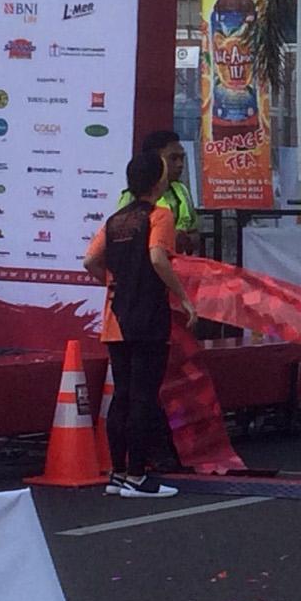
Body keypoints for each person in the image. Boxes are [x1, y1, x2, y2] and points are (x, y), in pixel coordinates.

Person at [83, 152, 199, 499]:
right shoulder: (159, 216)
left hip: (115, 316)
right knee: (144, 396)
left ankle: (117, 472)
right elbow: (156, 257)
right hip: (148, 315)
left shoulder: (115, 219)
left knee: (122, 394)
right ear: (158, 181)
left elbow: (90, 259)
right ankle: (137, 475)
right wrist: (183, 297)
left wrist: (113, 281)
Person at [117, 131, 198, 255]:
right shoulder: (131, 196)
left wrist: (186, 240)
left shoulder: (182, 190)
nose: (180, 164)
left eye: (182, 158)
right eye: (173, 158)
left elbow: (195, 233)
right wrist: (165, 239)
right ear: (154, 160)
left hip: (178, 266)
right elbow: (121, 242)